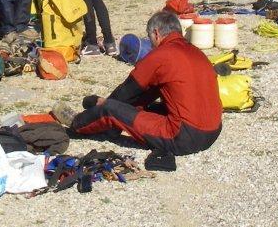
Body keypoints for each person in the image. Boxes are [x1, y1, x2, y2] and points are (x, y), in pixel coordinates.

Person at [59, 11, 222, 156]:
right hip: (213, 131)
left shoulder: (161, 55)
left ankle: (76, 123)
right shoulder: (196, 52)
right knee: (140, 106)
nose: (150, 44)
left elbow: (126, 92)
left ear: (156, 34)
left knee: (111, 109)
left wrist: (104, 105)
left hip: (184, 137)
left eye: (150, 39)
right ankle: (104, 117)